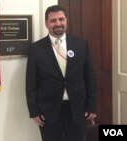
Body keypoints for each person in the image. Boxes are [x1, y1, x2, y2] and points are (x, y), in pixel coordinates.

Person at [25, 5, 97, 141]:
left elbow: (90, 77)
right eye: (53, 21)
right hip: (48, 111)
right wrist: (34, 111)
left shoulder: (81, 44)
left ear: (66, 21)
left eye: (61, 19)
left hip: (78, 109)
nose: (58, 23)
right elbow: (31, 83)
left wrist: (92, 106)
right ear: (46, 23)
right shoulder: (36, 49)